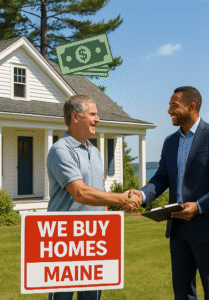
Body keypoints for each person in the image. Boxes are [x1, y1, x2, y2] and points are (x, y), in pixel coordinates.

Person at [129, 86, 209, 300]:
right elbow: (161, 178)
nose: (169, 110)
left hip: (207, 227)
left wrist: (199, 206)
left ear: (192, 106)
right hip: (177, 228)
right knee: (182, 293)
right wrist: (141, 196)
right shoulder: (170, 142)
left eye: (174, 105)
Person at [47, 95, 141, 300]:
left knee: (92, 297)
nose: (97, 119)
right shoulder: (60, 150)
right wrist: (122, 198)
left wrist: (108, 228)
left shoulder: (96, 152)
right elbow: (79, 192)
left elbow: (99, 192)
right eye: (92, 114)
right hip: (65, 242)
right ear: (75, 117)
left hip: (94, 240)